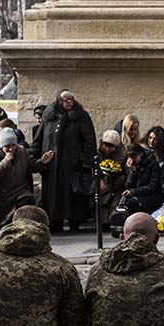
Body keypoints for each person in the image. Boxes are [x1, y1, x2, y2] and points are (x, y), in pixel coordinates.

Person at [29, 89, 98, 233]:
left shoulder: (81, 116)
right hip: (52, 166)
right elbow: (39, 139)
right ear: (59, 101)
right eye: (66, 100)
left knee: (72, 196)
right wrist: (35, 158)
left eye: (71, 99)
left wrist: (83, 160)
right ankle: (56, 223)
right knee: (53, 195)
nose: (69, 102)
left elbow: (89, 141)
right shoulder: (49, 117)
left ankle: (74, 224)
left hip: (72, 165)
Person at [0, 126, 52, 209]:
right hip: (2, 193)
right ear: (2, 146)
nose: (11, 149)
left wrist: (42, 162)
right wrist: (5, 162)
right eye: (7, 146)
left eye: (13, 145)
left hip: (21, 190)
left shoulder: (22, 151)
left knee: (27, 203)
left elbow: (32, 165)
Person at [111, 144, 164, 234]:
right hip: (138, 194)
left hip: (152, 196)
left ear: (141, 154)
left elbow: (153, 187)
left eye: (134, 156)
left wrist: (133, 191)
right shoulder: (136, 165)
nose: (132, 159)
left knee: (132, 203)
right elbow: (128, 184)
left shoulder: (152, 164)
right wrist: (131, 171)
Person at [96, 130, 127, 231]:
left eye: (111, 146)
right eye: (105, 145)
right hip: (103, 186)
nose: (107, 149)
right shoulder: (98, 154)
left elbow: (123, 175)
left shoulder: (122, 157)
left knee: (114, 205)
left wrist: (112, 183)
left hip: (117, 185)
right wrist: (102, 180)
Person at [145, 126, 164, 201]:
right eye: (150, 138)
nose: (151, 141)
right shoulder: (146, 153)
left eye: (155, 139)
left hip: (162, 192)